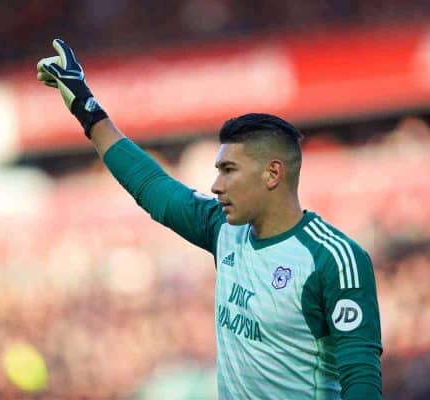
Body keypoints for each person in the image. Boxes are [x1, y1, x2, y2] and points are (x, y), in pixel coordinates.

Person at [37, 39, 382, 399]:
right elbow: (154, 187)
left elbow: (362, 381)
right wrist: (86, 108)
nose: (215, 186)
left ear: (272, 174)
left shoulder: (334, 259)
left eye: (229, 170)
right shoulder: (224, 231)